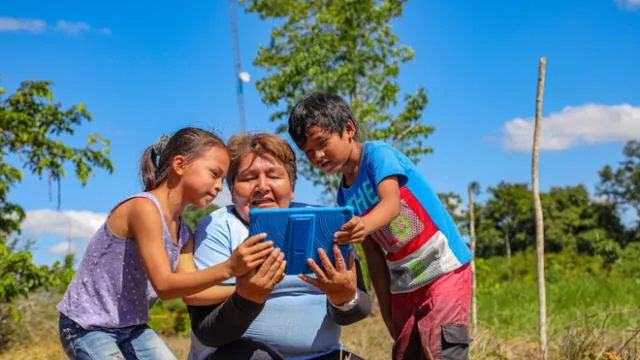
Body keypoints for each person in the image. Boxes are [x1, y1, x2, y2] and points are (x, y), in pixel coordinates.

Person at [57, 127, 276, 360]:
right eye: (214, 174)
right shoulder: (144, 208)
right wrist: (230, 268)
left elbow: (193, 293)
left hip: (132, 328)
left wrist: (244, 290)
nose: (220, 186)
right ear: (180, 164)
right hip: (87, 326)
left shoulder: (184, 233)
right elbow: (164, 285)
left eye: (223, 179)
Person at [288, 92, 474, 360]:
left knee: (441, 351)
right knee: (404, 351)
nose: (317, 155)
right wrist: (387, 313)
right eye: (308, 152)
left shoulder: (377, 155)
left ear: (348, 129)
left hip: (441, 267)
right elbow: (373, 256)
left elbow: (391, 204)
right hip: (405, 279)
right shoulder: (344, 195)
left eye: (322, 142)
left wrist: (362, 223)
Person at [180, 133, 371, 360]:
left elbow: (359, 308)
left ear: (292, 187)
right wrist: (247, 298)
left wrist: (343, 299)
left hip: (323, 354)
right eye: (248, 177)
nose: (262, 186)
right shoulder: (217, 226)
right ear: (232, 189)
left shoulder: (326, 221)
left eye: (274, 175)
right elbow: (207, 332)